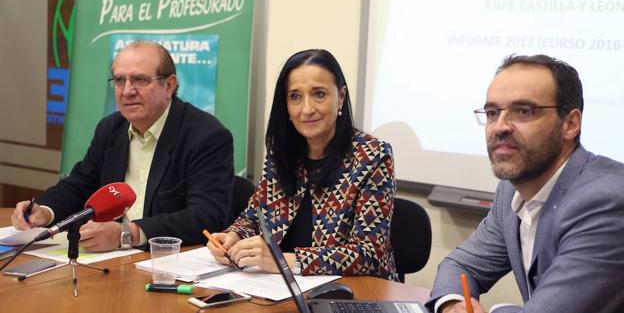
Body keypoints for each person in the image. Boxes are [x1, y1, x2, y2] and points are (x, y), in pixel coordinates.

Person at [427, 55, 624, 313]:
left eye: (524, 111)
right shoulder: (512, 190)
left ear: (570, 124)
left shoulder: (606, 201)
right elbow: (460, 266)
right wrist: (453, 304)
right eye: (492, 112)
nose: (500, 126)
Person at [11, 41, 234, 251]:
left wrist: (127, 234)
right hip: (111, 261)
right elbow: (79, 185)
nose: (127, 91)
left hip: (165, 262)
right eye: (119, 80)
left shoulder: (206, 136)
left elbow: (206, 216)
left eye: (139, 80)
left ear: (169, 85)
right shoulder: (111, 129)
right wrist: (45, 211)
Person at [207, 49, 397, 280]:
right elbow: (255, 217)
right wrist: (234, 236)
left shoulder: (372, 156)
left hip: (352, 294)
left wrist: (285, 261)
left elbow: (369, 254)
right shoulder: (282, 153)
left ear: (341, 97)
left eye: (319, 94)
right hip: (281, 290)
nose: (306, 109)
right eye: (295, 96)